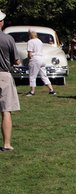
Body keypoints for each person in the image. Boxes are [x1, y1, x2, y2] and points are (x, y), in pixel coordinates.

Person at [0, 9, 20, 152]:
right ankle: (6, 144)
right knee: (6, 110)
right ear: (1, 23)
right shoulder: (8, 39)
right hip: (3, 76)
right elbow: (16, 60)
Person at [25, 30, 56, 96]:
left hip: (35, 59)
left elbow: (30, 53)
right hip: (42, 59)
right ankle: (51, 90)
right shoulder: (39, 41)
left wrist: (29, 59)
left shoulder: (30, 42)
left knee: (32, 76)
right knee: (44, 75)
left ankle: (32, 91)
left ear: (30, 35)